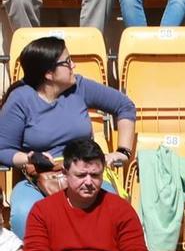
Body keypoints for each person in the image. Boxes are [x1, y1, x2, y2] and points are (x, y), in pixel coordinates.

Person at [0, 36, 137, 239]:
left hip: (86, 172)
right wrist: (28, 158)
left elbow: (125, 106)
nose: (74, 65)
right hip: (42, 178)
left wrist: (123, 151)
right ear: (48, 73)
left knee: (110, 208)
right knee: (24, 213)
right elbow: (3, 149)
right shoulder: (21, 98)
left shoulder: (79, 87)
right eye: (67, 62)